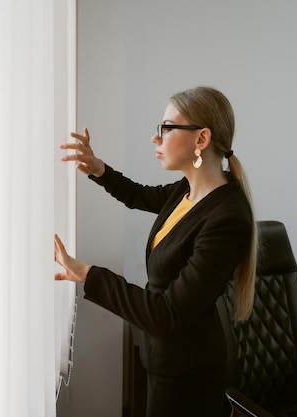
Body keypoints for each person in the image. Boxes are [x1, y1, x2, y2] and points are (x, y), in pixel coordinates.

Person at [54, 86, 257, 417]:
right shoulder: (187, 192)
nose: (155, 138)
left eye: (166, 128)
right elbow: (138, 195)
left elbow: (168, 315)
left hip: (189, 376)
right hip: (167, 361)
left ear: (201, 139)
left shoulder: (227, 217)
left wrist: (89, 274)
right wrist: (97, 168)